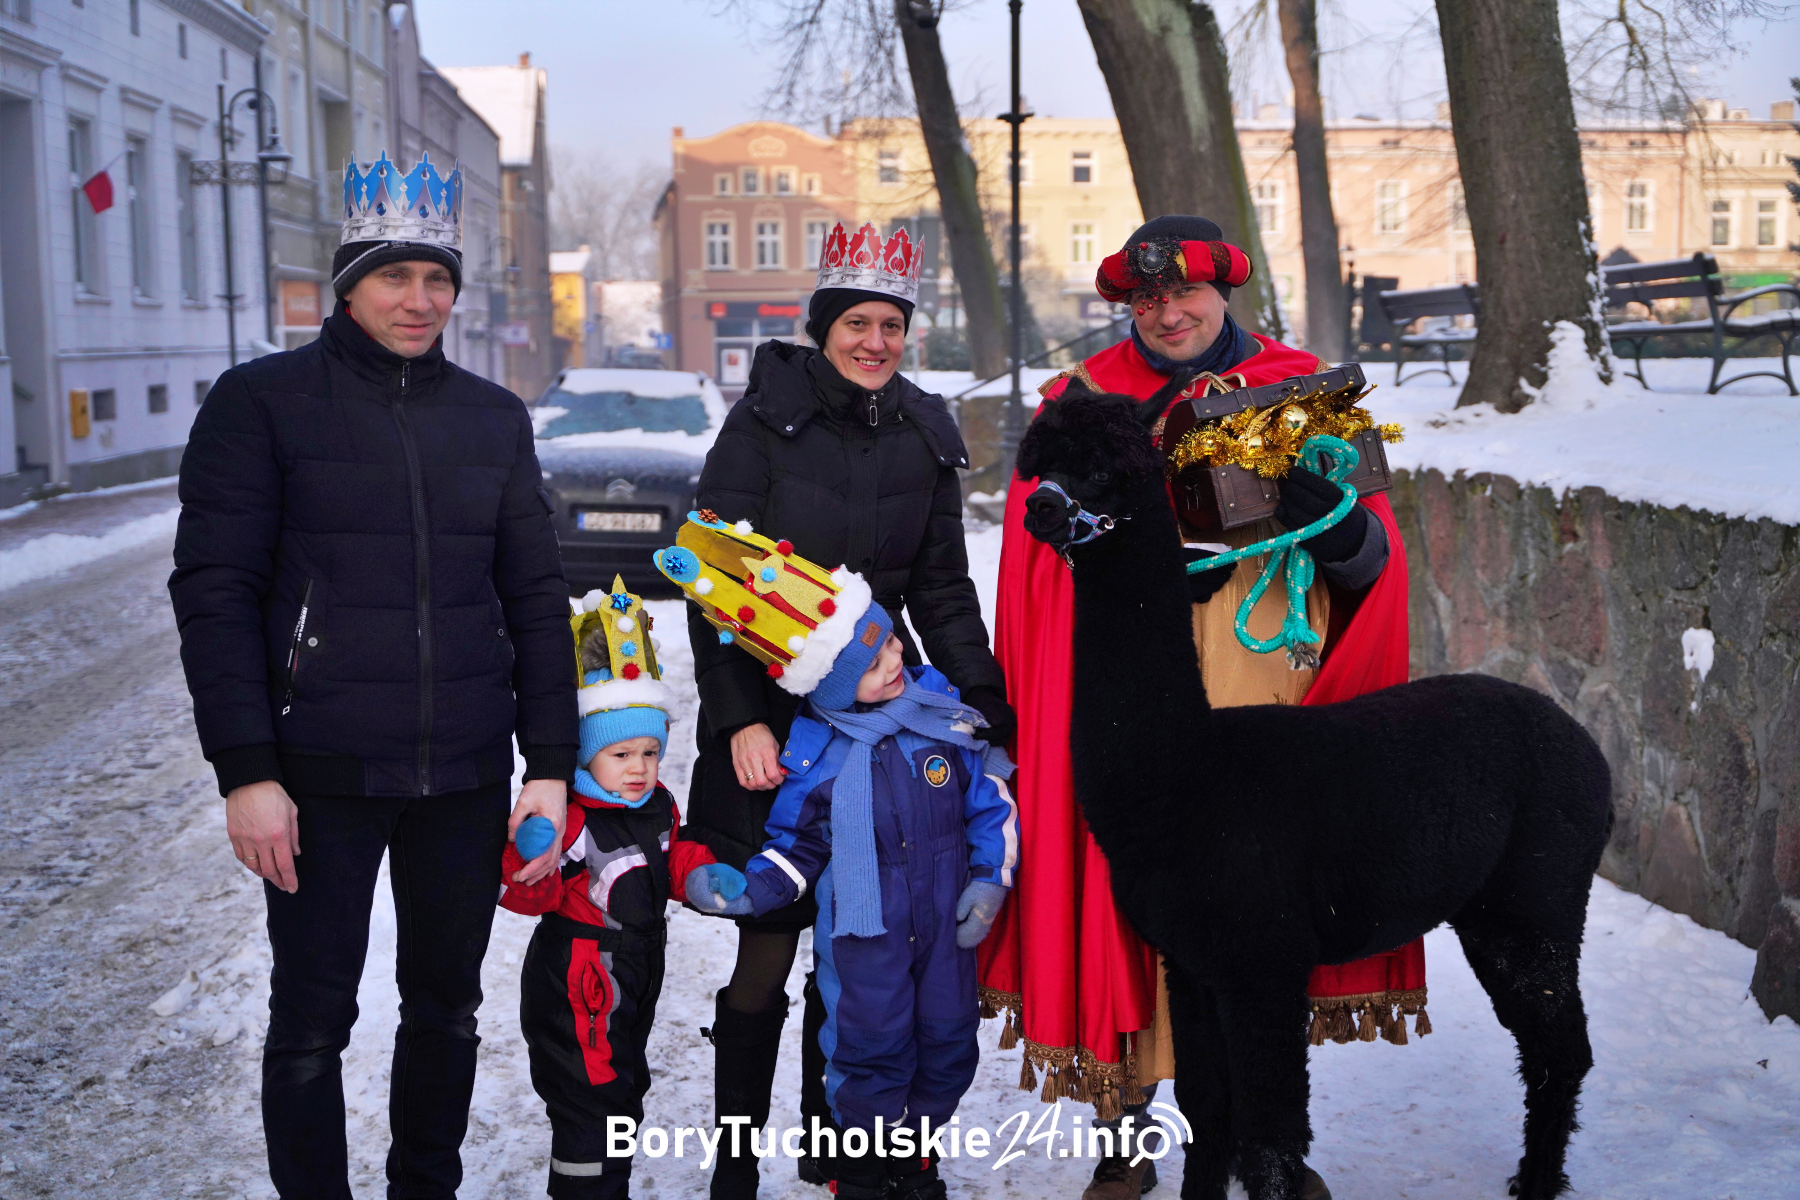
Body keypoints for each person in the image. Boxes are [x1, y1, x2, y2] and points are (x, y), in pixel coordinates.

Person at [978, 216, 1416, 1200]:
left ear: (1224, 293)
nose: (1166, 313)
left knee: (1252, 911)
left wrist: (1334, 531)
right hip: (1130, 687)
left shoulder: (1304, 391)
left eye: (1184, 294)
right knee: (1124, 891)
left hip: (1265, 678)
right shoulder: (1080, 404)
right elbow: (1035, 571)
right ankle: (1124, 1129)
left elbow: (1373, 564)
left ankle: (1266, 1145)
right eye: (1145, 299)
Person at [168, 152, 577, 1200]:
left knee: (446, 1010)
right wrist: (247, 771)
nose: (420, 299)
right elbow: (215, 593)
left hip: (465, 773)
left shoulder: (493, 416)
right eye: (396, 275)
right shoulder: (261, 403)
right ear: (350, 284)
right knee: (313, 1019)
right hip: (319, 773)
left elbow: (535, 595)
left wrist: (549, 762)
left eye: (438, 279)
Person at [684, 221, 1013, 1198]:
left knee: (866, 951)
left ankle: (850, 1159)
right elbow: (710, 579)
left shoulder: (924, 430)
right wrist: (739, 719)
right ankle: (735, 1163)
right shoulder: (761, 425)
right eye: (857, 323)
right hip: (775, 721)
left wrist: (982, 708)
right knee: (769, 948)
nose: (876, 342)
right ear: (824, 327)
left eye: (892, 325)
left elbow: (943, 590)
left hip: (883, 720)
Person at [665, 516, 1017, 1200]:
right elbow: (796, 848)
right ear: (831, 688)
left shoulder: (942, 719)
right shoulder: (818, 755)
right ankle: (859, 1170)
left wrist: (988, 880)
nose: (894, 664)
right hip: (865, 941)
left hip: (944, 932)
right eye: (873, 666)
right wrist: (747, 890)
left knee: (948, 1044)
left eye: (891, 644)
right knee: (868, 1053)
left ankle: (915, 1158)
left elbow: (990, 806)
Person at [500, 580, 741, 1198]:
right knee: (589, 1095)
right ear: (586, 757)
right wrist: (527, 855)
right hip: (579, 973)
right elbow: (525, 896)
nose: (639, 768)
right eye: (621, 754)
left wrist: (699, 874)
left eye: (650, 752)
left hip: (636, 968)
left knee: (624, 1087)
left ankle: (612, 1183)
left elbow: (671, 852)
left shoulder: (657, 804)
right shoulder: (572, 821)